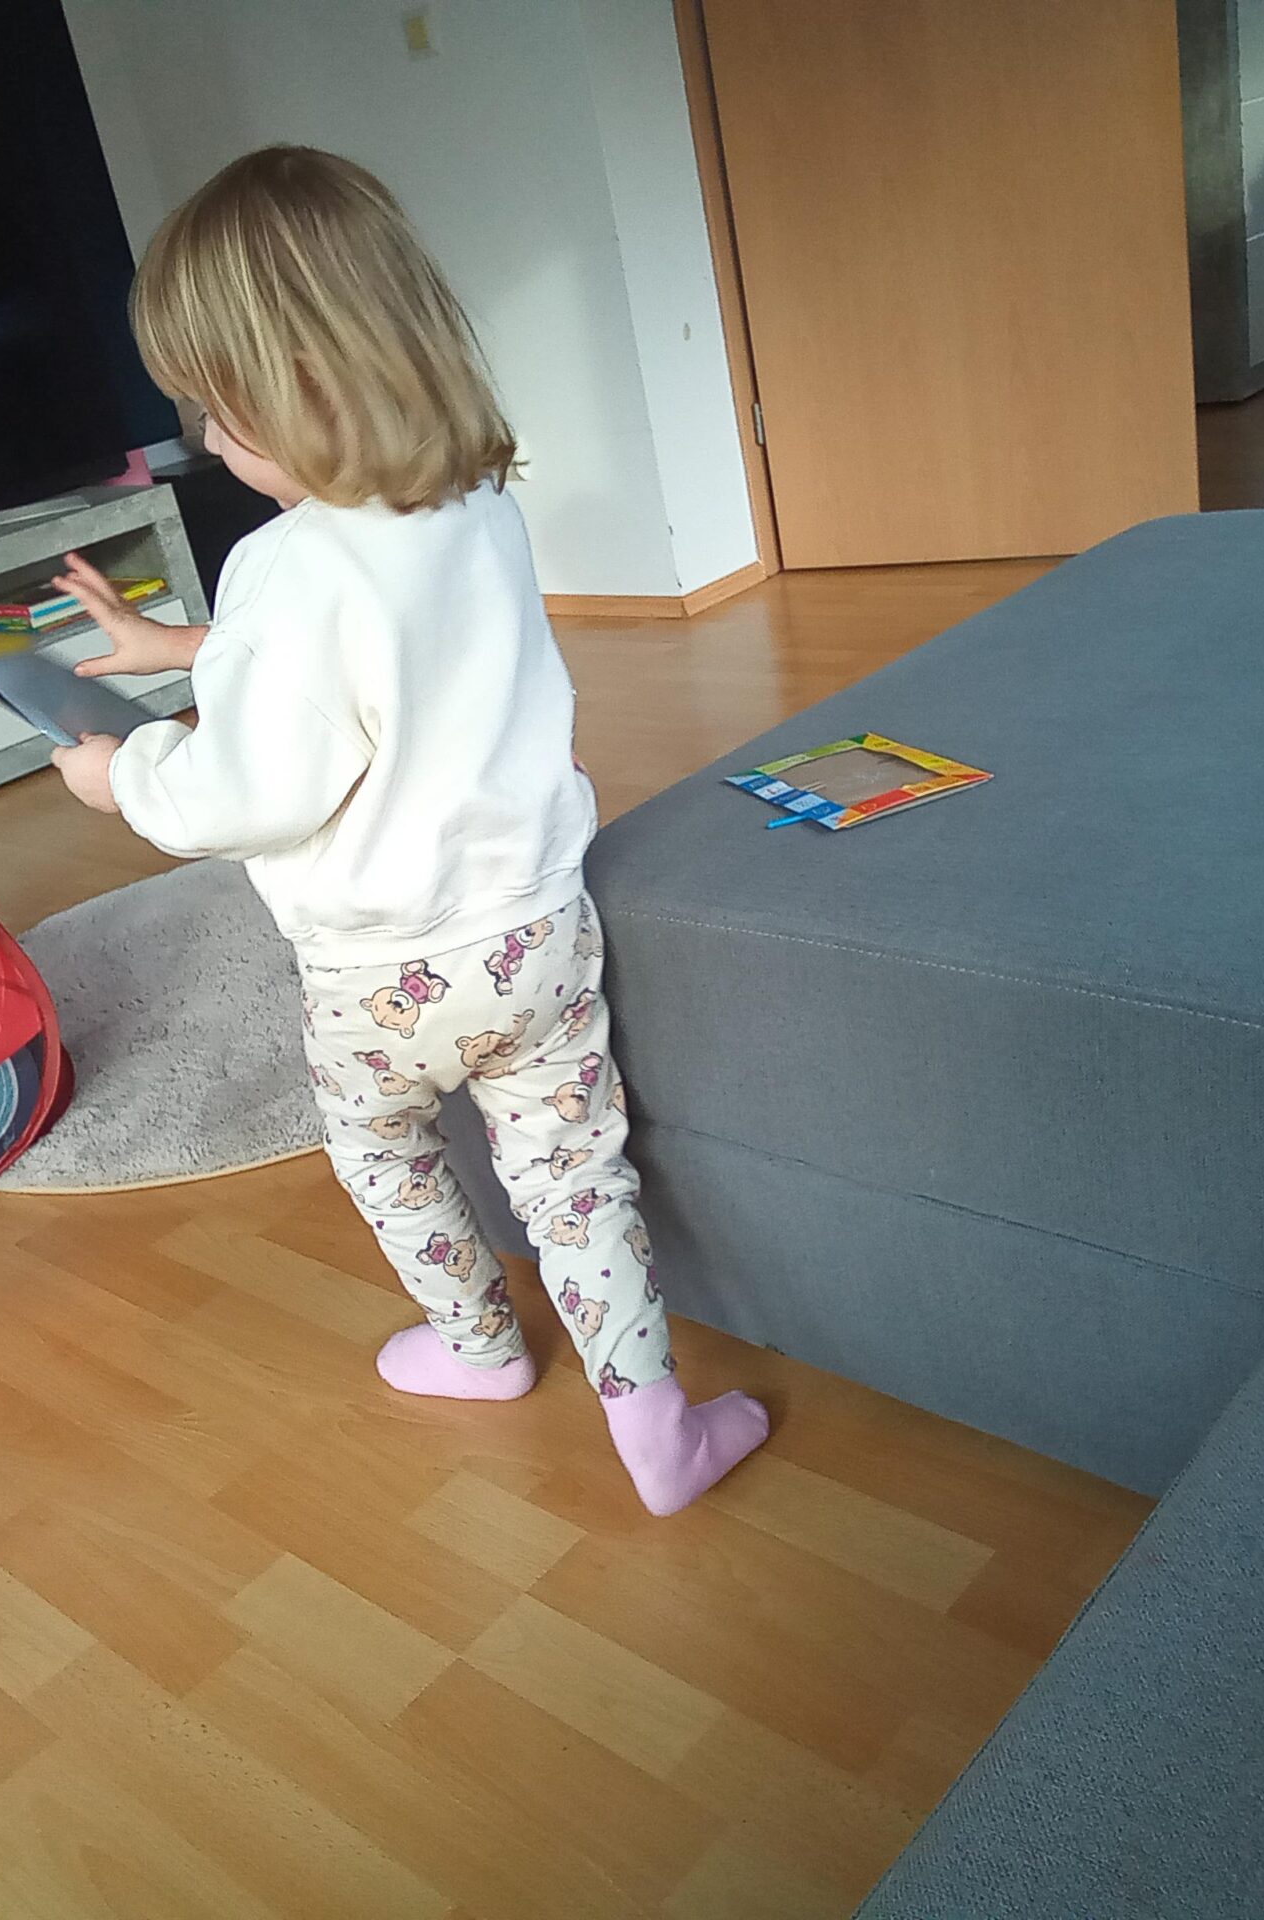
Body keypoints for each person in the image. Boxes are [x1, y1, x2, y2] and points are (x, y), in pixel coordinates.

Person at [47, 146, 767, 1516]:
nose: (206, 440)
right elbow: (382, 665)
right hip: (535, 932)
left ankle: (481, 1349)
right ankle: (657, 1426)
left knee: (383, 1150)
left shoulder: (284, 564)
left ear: (299, 387)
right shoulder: (476, 506)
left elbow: (246, 788)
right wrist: (178, 645)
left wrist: (122, 772)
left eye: (216, 409)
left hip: (378, 975)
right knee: (573, 1174)